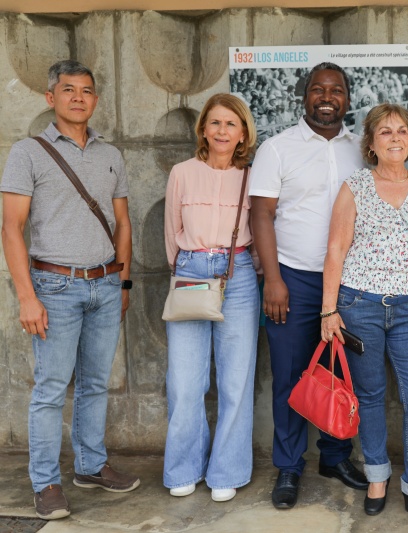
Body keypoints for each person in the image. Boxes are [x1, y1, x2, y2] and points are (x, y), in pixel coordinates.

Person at [1, 60, 138, 520]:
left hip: (105, 284)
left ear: (95, 99)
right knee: (51, 388)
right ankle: (45, 483)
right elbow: (11, 228)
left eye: (86, 91)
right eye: (68, 89)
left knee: (96, 383)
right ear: (51, 97)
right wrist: (27, 297)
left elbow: (123, 223)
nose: (78, 98)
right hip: (54, 286)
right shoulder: (28, 152)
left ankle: (91, 465)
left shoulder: (110, 154)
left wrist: (123, 281)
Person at [249, 62, 368, 510]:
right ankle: (289, 465)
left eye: (336, 90)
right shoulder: (277, 148)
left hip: (350, 281)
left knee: (340, 371)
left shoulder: (362, 149)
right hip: (294, 279)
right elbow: (261, 215)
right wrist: (273, 280)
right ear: (304, 97)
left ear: (348, 99)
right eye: (318, 89)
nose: (327, 97)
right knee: (290, 374)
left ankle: (335, 457)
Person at [321, 103, 408, 529]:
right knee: (370, 394)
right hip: (360, 304)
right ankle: (377, 477)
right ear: (371, 144)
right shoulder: (355, 186)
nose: (395, 137)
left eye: (402, 131)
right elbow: (336, 250)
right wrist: (329, 309)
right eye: (385, 132)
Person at [162, 94, 259, 503]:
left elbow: (262, 228)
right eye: (215, 122)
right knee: (185, 380)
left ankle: (227, 470)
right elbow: (171, 232)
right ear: (203, 129)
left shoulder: (252, 176)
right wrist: (189, 267)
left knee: (236, 379)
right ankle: (184, 467)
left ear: (243, 134)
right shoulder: (182, 173)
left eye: (231, 124)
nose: (222, 131)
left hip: (238, 275)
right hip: (190, 270)